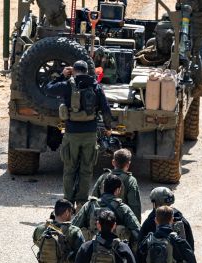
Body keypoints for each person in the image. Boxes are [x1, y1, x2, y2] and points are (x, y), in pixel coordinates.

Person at [46, 60, 114, 207]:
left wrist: (62, 76)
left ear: (74, 70)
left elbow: (49, 89)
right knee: (86, 169)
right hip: (90, 134)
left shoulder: (67, 85)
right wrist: (108, 128)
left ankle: (68, 203)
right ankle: (82, 203)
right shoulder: (96, 86)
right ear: (87, 71)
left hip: (71, 134)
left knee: (69, 168)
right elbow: (106, 109)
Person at [73, 175, 141, 246]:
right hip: (116, 252)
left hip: (91, 250)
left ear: (103, 188)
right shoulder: (123, 208)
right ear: (118, 190)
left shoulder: (89, 205)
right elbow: (137, 231)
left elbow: (74, 226)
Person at [90, 149, 142, 221]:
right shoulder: (131, 180)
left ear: (113, 162)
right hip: (120, 223)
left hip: (102, 220)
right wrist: (137, 225)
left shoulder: (104, 177)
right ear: (128, 164)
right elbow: (134, 206)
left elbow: (94, 198)